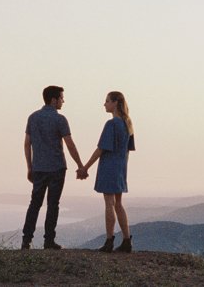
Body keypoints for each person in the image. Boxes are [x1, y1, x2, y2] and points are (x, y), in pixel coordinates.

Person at [21, 85, 87, 250]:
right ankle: (49, 240)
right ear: (53, 100)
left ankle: (26, 241)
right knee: (53, 204)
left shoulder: (32, 118)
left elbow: (27, 144)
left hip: (38, 167)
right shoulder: (60, 119)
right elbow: (70, 144)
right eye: (61, 98)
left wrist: (29, 167)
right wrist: (80, 165)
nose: (63, 101)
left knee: (34, 204)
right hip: (56, 167)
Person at [81, 90, 135, 253]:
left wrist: (85, 167)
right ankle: (126, 240)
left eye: (106, 101)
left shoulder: (111, 124)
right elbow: (128, 150)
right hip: (120, 167)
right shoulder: (128, 124)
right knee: (118, 204)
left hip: (109, 167)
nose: (104, 104)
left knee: (109, 204)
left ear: (115, 103)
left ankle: (109, 241)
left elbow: (101, 149)